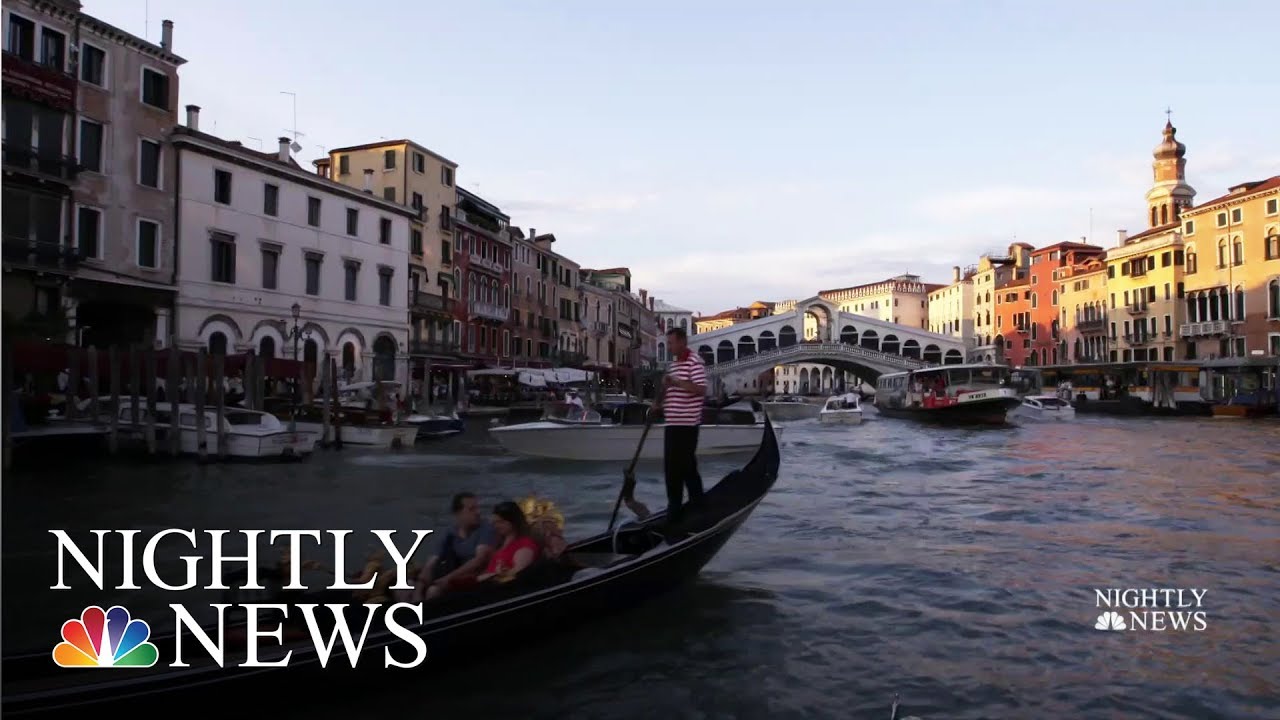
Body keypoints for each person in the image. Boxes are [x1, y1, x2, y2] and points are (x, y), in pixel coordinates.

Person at [654, 327, 707, 529]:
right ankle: (685, 508)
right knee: (676, 470)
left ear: (682, 342)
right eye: (668, 343)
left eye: (671, 343)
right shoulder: (673, 365)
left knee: (682, 469)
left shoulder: (695, 362)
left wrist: (676, 381)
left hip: (687, 425)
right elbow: (670, 391)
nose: (669, 346)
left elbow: (701, 389)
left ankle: (689, 508)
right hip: (672, 425)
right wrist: (658, 404)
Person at [412, 492, 496, 602]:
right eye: (472, 509)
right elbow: (431, 562)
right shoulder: (450, 532)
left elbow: (479, 560)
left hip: (476, 580)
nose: (478, 512)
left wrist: (448, 578)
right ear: (458, 514)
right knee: (406, 588)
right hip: (453, 576)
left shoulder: (485, 528)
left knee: (433, 591)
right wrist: (418, 591)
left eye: (477, 508)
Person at [477, 500, 542, 582]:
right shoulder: (500, 544)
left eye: (500, 522)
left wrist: (499, 574)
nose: (496, 526)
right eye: (494, 523)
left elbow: (519, 573)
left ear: (513, 521)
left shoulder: (525, 545)